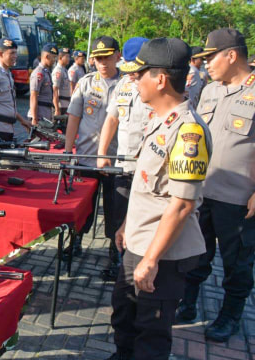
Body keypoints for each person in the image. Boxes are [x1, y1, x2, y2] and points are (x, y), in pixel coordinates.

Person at [108, 37, 211, 360]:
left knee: (150, 334)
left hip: (162, 255)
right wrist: (126, 224)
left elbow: (181, 205)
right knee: (124, 315)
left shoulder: (188, 132)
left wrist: (151, 260)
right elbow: (146, 187)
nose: (133, 81)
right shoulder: (158, 120)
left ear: (161, 79)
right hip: (138, 242)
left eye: (140, 75)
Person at [175, 28, 255, 343]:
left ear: (231, 55)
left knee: (237, 263)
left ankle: (230, 316)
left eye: (211, 57)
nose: (206, 63)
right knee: (196, 252)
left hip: (238, 198)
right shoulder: (210, 90)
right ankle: (188, 303)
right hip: (204, 190)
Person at [96, 37, 151, 281]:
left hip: (147, 170)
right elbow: (111, 119)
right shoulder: (123, 86)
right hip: (122, 166)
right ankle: (114, 259)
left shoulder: (158, 88)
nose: (129, 72)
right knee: (116, 213)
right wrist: (102, 153)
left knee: (141, 220)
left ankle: (136, 263)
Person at [64, 36, 121, 258]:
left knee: (114, 208)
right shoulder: (86, 83)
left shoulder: (127, 86)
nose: (103, 63)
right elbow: (73, 118)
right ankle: (75, 241)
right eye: (98, 59)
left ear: (117, 55)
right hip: (86, 157)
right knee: (81, 206)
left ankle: (114, 252)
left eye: (107, 57)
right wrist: (68, 152)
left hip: (115, 159)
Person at [27, 43, 57, 125]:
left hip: (45, 114)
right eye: (53, 57)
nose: (54, 60)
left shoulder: (46, 72)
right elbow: (33, 96)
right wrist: (34, 118)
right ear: (47, 56)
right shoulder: (39, 73)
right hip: (39, 116)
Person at [52, 47, 71, 116]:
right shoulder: (58, 71)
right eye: (67, 57)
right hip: (60, 105)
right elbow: (55, 90)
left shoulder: (64, 70)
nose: (69, 59)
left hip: (65, 104)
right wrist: (57, 109)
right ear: (60, 57)